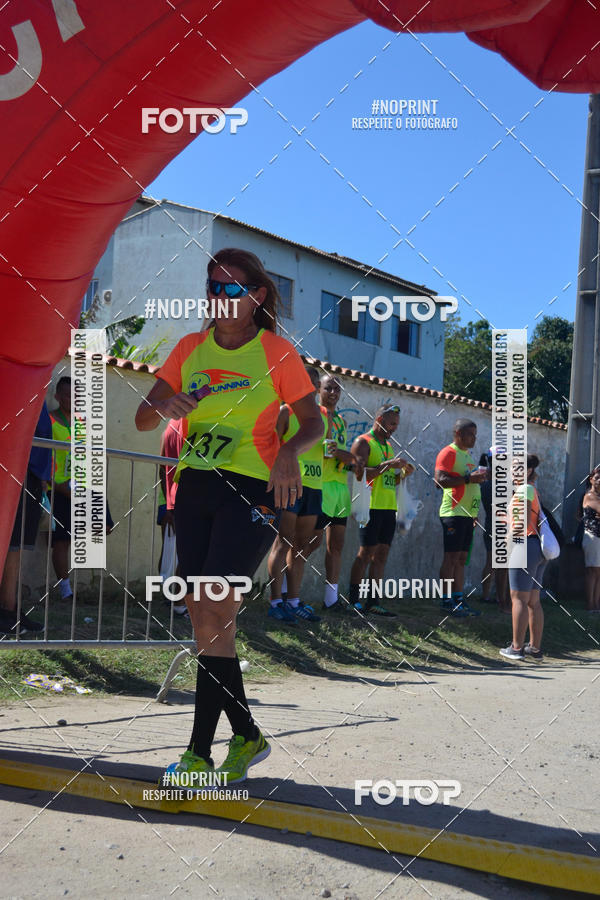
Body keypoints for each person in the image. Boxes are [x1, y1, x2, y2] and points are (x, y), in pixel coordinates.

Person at [135, 248, 323, 784]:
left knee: (215, 608)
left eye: (232, 288)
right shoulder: (190, 348)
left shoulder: (277, 353)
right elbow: (144, 418)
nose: (222, 298)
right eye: (214, 288)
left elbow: (313, 425)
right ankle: (245, 735)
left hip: (252, 489)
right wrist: (166, 407)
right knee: (205, 618)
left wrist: (289, 451)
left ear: (256, 296)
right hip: (194, 488)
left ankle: (198, 754)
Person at [266, 367, 327, 624]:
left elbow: (325, 450)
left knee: (301, 547)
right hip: (289, 485)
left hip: (314, 486)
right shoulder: (285, 410)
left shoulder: (323, 414)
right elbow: (272, 447)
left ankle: (293, 601)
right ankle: (275, 602)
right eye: (307, 381)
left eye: (315, 383)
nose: (311, 387)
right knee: (283, 542)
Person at [348, 404, 414, 617]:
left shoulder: (388, 446)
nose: (395, 428)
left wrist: (403, 474)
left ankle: (373, 601)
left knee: (382, 555)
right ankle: (353, 600)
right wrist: (388, 465)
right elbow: (360, 474)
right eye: (391, 423)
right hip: (369, 506)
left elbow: (388, 479)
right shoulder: (363, 442)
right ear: (379, 419)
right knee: (365, 552)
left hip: (387, 507)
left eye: (396, 424)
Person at [312, 374, 363, 613]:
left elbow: (337, 453)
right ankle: (284, 597)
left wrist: (350, 462)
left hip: (340, 490)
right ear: (319, 389)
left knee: (337, 546)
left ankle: (331, 599)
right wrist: (349, 457)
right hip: (319, 487)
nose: (333, 392)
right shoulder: (314, 415)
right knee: (308, 544)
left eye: (337, 389)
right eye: (328, 388)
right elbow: (327, 451)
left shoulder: (341, 421)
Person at [0, 402, 52, 635]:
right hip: (14, 468)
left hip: (31, 475)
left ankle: (11, 608)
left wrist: (42, 475)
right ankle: (7, 610)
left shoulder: (37, 384)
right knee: (10, 545)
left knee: (18, 546)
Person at [435, 418, 487, 617]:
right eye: (470, 434)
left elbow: (469, 481)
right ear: (458, 434)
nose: (474, 438)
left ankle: (458, 598)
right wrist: (468, 479)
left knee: (462, 558)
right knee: (451, 558)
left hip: (468, 515)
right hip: (453, 513)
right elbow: (439, 481)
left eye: (475, 434)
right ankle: (446, 601)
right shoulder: (448, 452)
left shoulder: (467, 455)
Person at [500, 454, 547, 661]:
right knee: (533, 601)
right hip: (537, 548)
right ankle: (534, 649)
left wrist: (507, 544)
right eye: (512, 467)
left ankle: (516, 648)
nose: (513, 470)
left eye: (518, 467)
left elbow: (522, 522)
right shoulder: (530, 489)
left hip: (524, 545)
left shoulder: (523, 489)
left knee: (518, 599)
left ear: (528, 471)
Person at [157, 418, 186, 616]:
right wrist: (171, 506)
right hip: (180, 501)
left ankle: (170, 598)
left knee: (170, 551)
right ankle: (178, 604)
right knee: (185, 555)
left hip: (168, 500)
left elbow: (161, 465)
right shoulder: (192, 424)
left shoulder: (170, 425)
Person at [49, 376, 73, 601]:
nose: (72, 400)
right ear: (57, 396)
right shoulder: (49, 420)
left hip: (79, 486)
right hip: (56, 487)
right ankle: (66, 590)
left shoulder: (82, 422)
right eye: (67, 395)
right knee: (61, 540)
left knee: (105, 526)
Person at [479, 449, 510, 611]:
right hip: (498, 525)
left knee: (494, 563)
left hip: (493, 524)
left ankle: (491, 596)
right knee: (498, 564)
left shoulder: (485, 480)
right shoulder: (498, 483)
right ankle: (498, 597)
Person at [581, 464, 600, 613]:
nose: (599, 480)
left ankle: (596, 604)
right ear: (591, 479)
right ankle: (590, 604)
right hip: (593, 537)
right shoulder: (589, 495)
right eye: (597, 477)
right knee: (592, 571)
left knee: (598, 572)